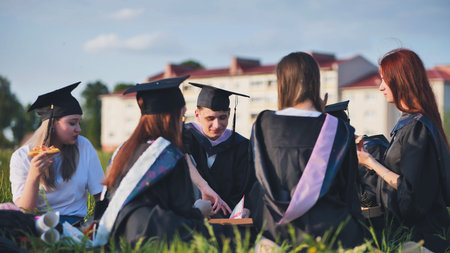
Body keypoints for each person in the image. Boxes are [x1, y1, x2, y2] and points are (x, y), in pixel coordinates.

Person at [247, 52, 364, 248]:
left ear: (282, 83)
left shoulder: (263, 124)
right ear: (315, 82)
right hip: (332, 233)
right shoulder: (338, 129)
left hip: (277, 234)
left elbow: (257, 185)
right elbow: (349, 192)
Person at [93, 76, 214, 247]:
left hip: (119, 242)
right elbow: (183, 220)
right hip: (155, 240)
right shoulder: (169, 156)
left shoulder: (123, 151)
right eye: (182, 115)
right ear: (169, 118)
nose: (183, 123)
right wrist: (200, 210)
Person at [357, 48, 450, 252]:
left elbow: (411, 191)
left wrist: (370, 163)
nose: (381, 87)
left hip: (421, 238)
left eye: (384, 79)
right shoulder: (416, 122)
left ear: (400, 79)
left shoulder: (417, 129)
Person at [9, 82, 105, 225]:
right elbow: (25, 212)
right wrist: (34, 175)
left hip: (74, 226)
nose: (78, 129)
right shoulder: (22, 157)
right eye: (72, 123)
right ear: (52, 124)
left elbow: (101, 196)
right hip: (36, 225)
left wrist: (99, 225)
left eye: (79, 123)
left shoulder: (83, 146)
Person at [182, 82, 255, 217]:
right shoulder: (184, 137)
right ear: (197, 115)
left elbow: (246, 189)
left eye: (222, 117)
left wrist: (246, 208)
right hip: (189, 216)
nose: (217, 125)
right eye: (210, 118)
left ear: (228, 113)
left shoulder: (241, 146)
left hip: (227, 219)